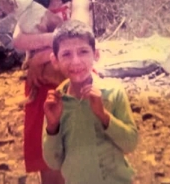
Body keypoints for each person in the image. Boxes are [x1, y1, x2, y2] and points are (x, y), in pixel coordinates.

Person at [13, 0, 93, 184]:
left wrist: (40, 54)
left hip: (75, 86)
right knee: (49, 159)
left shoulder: (78, 1)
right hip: (43, 92)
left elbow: (77, 35)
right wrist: (51, 46)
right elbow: (18, 40)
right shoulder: (33, 6)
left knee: (79, 156)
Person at [43, 20, 138, 184]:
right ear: (55, 61)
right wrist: (52, 126)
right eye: (66, 54)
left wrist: (103, 115)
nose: (76, 61)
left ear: (96, 54)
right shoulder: (55, 102)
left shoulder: (113, 92)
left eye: (83, 52)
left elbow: (130, 144)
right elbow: (53, 162)